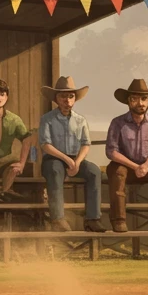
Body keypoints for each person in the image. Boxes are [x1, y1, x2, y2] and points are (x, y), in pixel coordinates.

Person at [105, 79, 148, 234]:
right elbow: (111, 151)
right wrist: (135, 166)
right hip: (125, 166)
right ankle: (119, 220)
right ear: (129, 102)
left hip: (146, 167)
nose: (140, 103)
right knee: (117, 172)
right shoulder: (117, 122)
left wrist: (146, 165)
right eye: (135, 99)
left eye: (144, 98)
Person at [38, 76, 104, 233]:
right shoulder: (47, 119)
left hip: (76, 159)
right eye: (63, 96)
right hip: (54, 158)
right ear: (56, 99)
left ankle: (92, 219)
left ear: (75, 99)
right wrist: (67, 160)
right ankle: (58, 219)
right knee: (54, 171)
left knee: (94, 171)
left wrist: (78, 162)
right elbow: (45, 144)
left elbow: (86, 143)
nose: (67, 100)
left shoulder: (80, 120)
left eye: (71, 96)